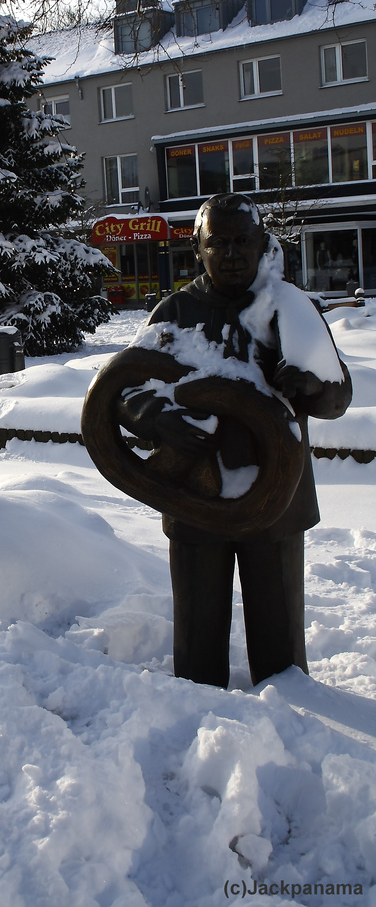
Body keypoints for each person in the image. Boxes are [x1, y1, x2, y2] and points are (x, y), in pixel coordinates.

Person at [129, 193, 352, 688]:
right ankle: (196, 716)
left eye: (243, 242)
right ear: (198, 250)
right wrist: (157, 417)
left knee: (281, 648)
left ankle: (295, 720)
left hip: (276, 499)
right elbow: (126, 387)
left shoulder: (289, 308)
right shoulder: (176, 311)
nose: (232, 253)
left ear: (262, 245)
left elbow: (338, 394)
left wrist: (312, 383)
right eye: (219, 242)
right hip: (196, 493)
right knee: (197, 640)